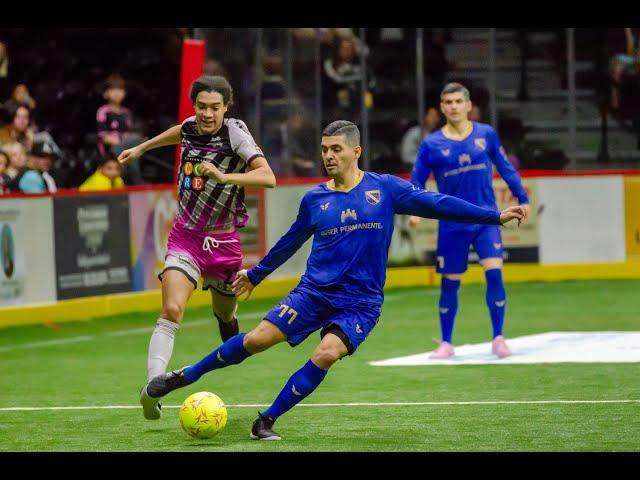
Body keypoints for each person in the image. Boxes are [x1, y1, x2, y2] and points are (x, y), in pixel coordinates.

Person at [140, 120, 526, 439]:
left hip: (361, 302)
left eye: (336, 149)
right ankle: (183, 376)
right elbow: (291, 241)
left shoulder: (385, 189)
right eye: (325, 149)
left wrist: (495, 216)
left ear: (356, 152)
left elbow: (438, 204)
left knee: (325, 353)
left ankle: (266, 420)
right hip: (313, 293)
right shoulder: (314, 200)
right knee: (257, 339)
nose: (328, 156)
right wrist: (257, 274)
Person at [118, 75, 276, 421]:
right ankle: (153, 389)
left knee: (225, 312)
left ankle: (226, 319)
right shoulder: (191, 126)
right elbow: (178, 131)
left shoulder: (235, 133)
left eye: (214, 107)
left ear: (226, 107)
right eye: (201, 106)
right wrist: (142, 148)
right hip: (186, 236)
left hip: (223, 243)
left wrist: (224, 177)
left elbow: (268, 177)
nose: (207, 114)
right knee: (172, 309)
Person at [409, 82, 531, 359]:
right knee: (450, 282)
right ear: (442, 107)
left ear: (468, 105)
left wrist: (521, 197)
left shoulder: (486, 134)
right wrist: (414, 208)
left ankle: (498, 338)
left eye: (457, 101)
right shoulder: (431, 143)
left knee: (494, 273)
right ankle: (446, 343)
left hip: (487, 219)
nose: (453, 106)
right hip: (451, 222)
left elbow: (505, 167)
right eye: (447, 102)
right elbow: (416, 180)